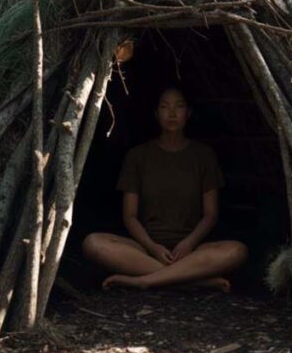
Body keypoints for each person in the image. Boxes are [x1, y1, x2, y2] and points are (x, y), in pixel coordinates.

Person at [82, 87, 248, 291]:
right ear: (156, 114)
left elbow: (210, 214)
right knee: (93, 243)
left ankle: (145, 281)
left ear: (188, 113)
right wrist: (152, 247)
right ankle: (192, 280)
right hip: (145, 249)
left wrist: (188, 244)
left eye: (179, 106)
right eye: (164, 107)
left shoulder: (203, 156)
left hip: (192, 250)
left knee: (237, 251)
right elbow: (130, 216)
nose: (171, 113)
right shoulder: (138, 156)